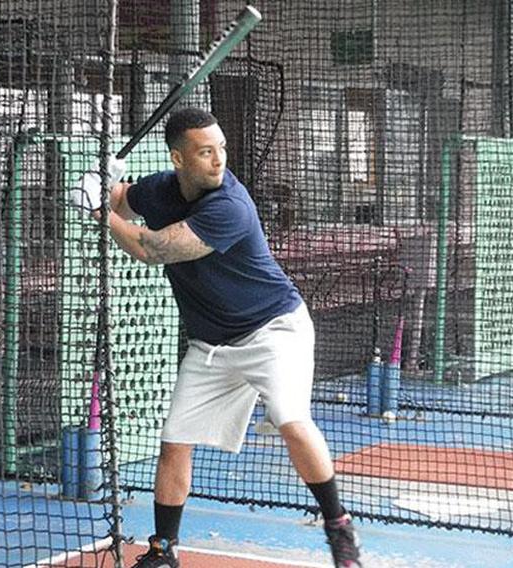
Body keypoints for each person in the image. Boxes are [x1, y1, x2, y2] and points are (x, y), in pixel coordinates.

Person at [70, 107, 362, 568]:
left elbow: (154, 247)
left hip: (273, 331)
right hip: (210, 346)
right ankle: (164, 550)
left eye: (221, 148)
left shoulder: (231, 205)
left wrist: (99, 214)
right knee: (174, 441)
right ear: (178, 159)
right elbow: (125, 200)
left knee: (289, 418)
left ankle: (338, 525)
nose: (218, 159)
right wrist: (104, 184)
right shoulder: (162, 188)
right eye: (205, 152)